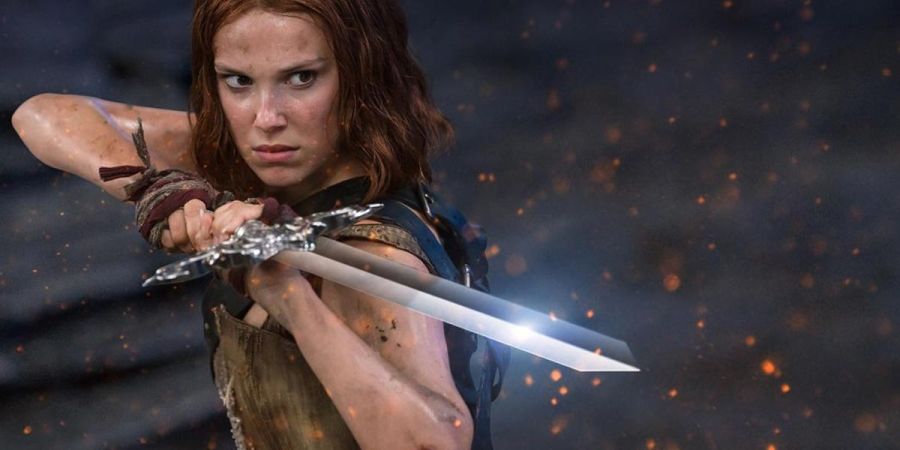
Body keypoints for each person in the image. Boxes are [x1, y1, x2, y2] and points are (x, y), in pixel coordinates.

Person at [11, 0, 508, 449]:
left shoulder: (371, 253)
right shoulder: (261, 155)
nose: (266, 118)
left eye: (302, 78)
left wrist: (288, 297)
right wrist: (157, 189)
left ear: (362, 75)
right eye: (239, 81)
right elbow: (42, 115)